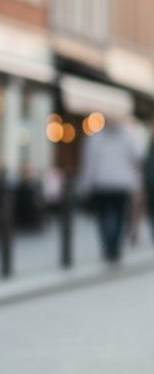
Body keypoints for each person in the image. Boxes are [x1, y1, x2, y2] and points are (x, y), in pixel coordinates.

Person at [75, 111, 144, 263]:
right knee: (118, 217)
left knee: (104, 217)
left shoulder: (96, 138)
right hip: (121, 184)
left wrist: (84, 185)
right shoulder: (128, 136)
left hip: (103, 184)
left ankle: (108, 247)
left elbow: (89, 164)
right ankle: (114, 248)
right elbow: (137, 159)